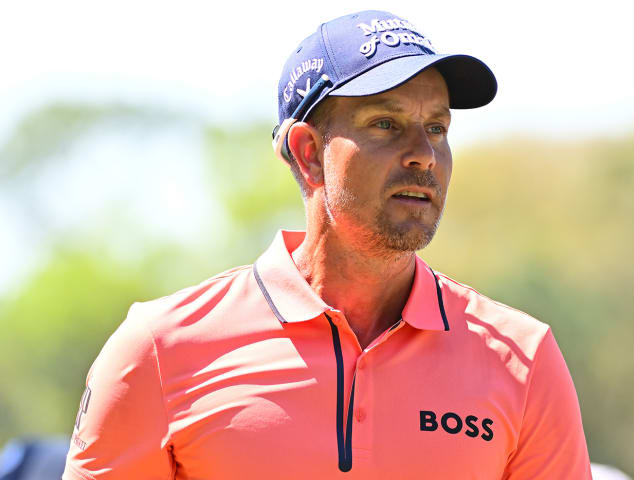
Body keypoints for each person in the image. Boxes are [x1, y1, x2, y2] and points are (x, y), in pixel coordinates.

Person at [63, 10, 592, 479]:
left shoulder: (524, 358)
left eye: (437, 127)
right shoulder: (155, 351)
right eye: (386, 124)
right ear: (308, 152)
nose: (424, 154)